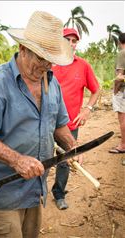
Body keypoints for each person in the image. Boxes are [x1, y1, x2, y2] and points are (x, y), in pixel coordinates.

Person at [0, 11, 77, 238]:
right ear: (23, 49)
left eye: (51, 60)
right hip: (5, 189)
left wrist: (72, 145)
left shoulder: (51, 83)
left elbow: (59, 124)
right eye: (41, 58)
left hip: (36, 187)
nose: (46, 66)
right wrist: (17, 160)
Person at [51, 28, 100, 210]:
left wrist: (87, 109)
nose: (71, 44)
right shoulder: (50, 63)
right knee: (42, 158)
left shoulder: (83, 65)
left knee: (65, 160)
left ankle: (59, 194)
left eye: (74, 40)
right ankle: (35, 195)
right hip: (46, 123)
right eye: (67, 40)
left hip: (69, 124)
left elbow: (96, 90)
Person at [109, 32, 125, 156]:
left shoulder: (122, 53)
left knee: (123, 119)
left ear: (119, 42)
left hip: (122, 92)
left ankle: (123, 145)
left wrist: (115, 90)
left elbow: (120, 76)